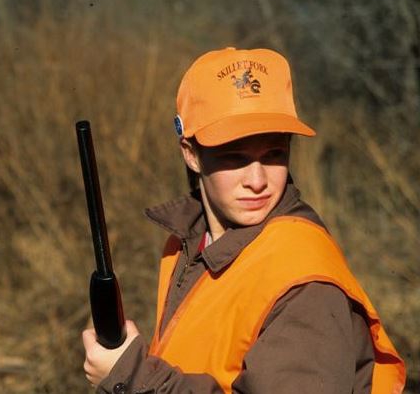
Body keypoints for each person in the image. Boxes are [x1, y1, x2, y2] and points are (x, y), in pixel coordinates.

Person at [82, 47, 406, 393]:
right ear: (191, 155)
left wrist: (133, 379)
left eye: (274, 154)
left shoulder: (306, 283)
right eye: (234, 157)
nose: (257, 180)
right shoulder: (186, 243)